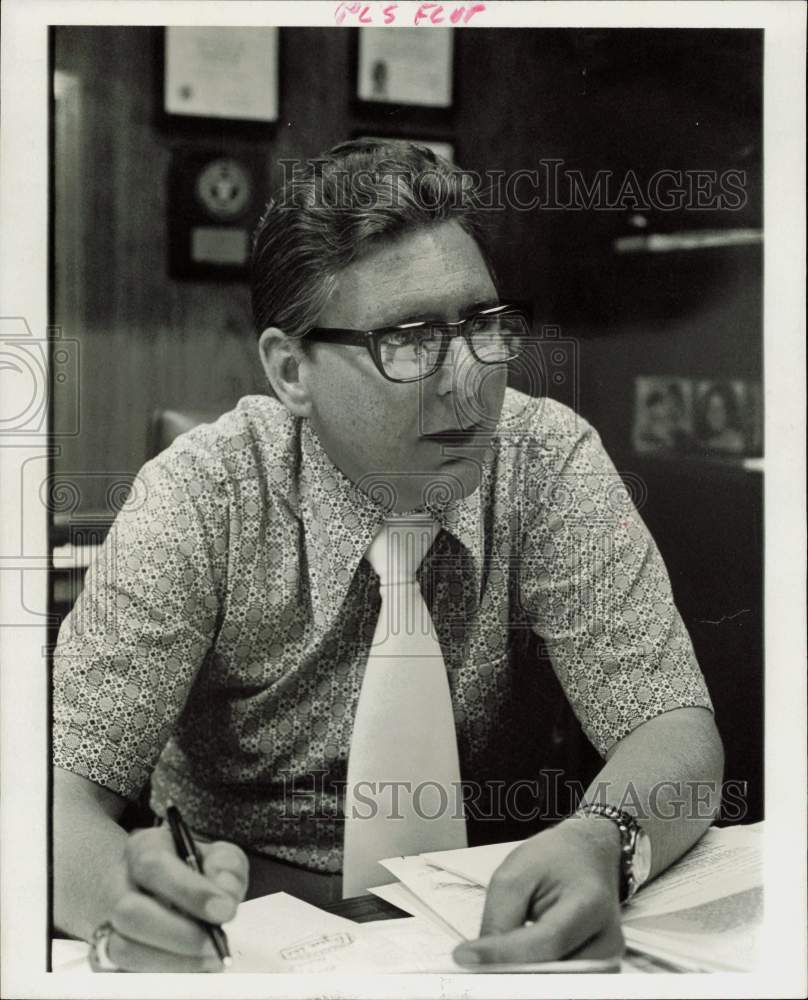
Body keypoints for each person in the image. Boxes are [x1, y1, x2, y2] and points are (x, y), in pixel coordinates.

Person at [52, 139, 724, 972]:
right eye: (408, 341)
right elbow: (53, 791)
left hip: (489, 914)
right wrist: (121, 899)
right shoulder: (203, 494)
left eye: (483, 325)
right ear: (291, 369)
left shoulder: (545, 459)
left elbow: (671, 723)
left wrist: (606, 839)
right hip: (241, 931)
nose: (470, 379)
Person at [694, 381, 745, 453]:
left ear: (729, 412)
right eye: (710, 408)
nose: (714, 414)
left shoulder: (735, 443)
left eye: (720, 409)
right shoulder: (702, 442)